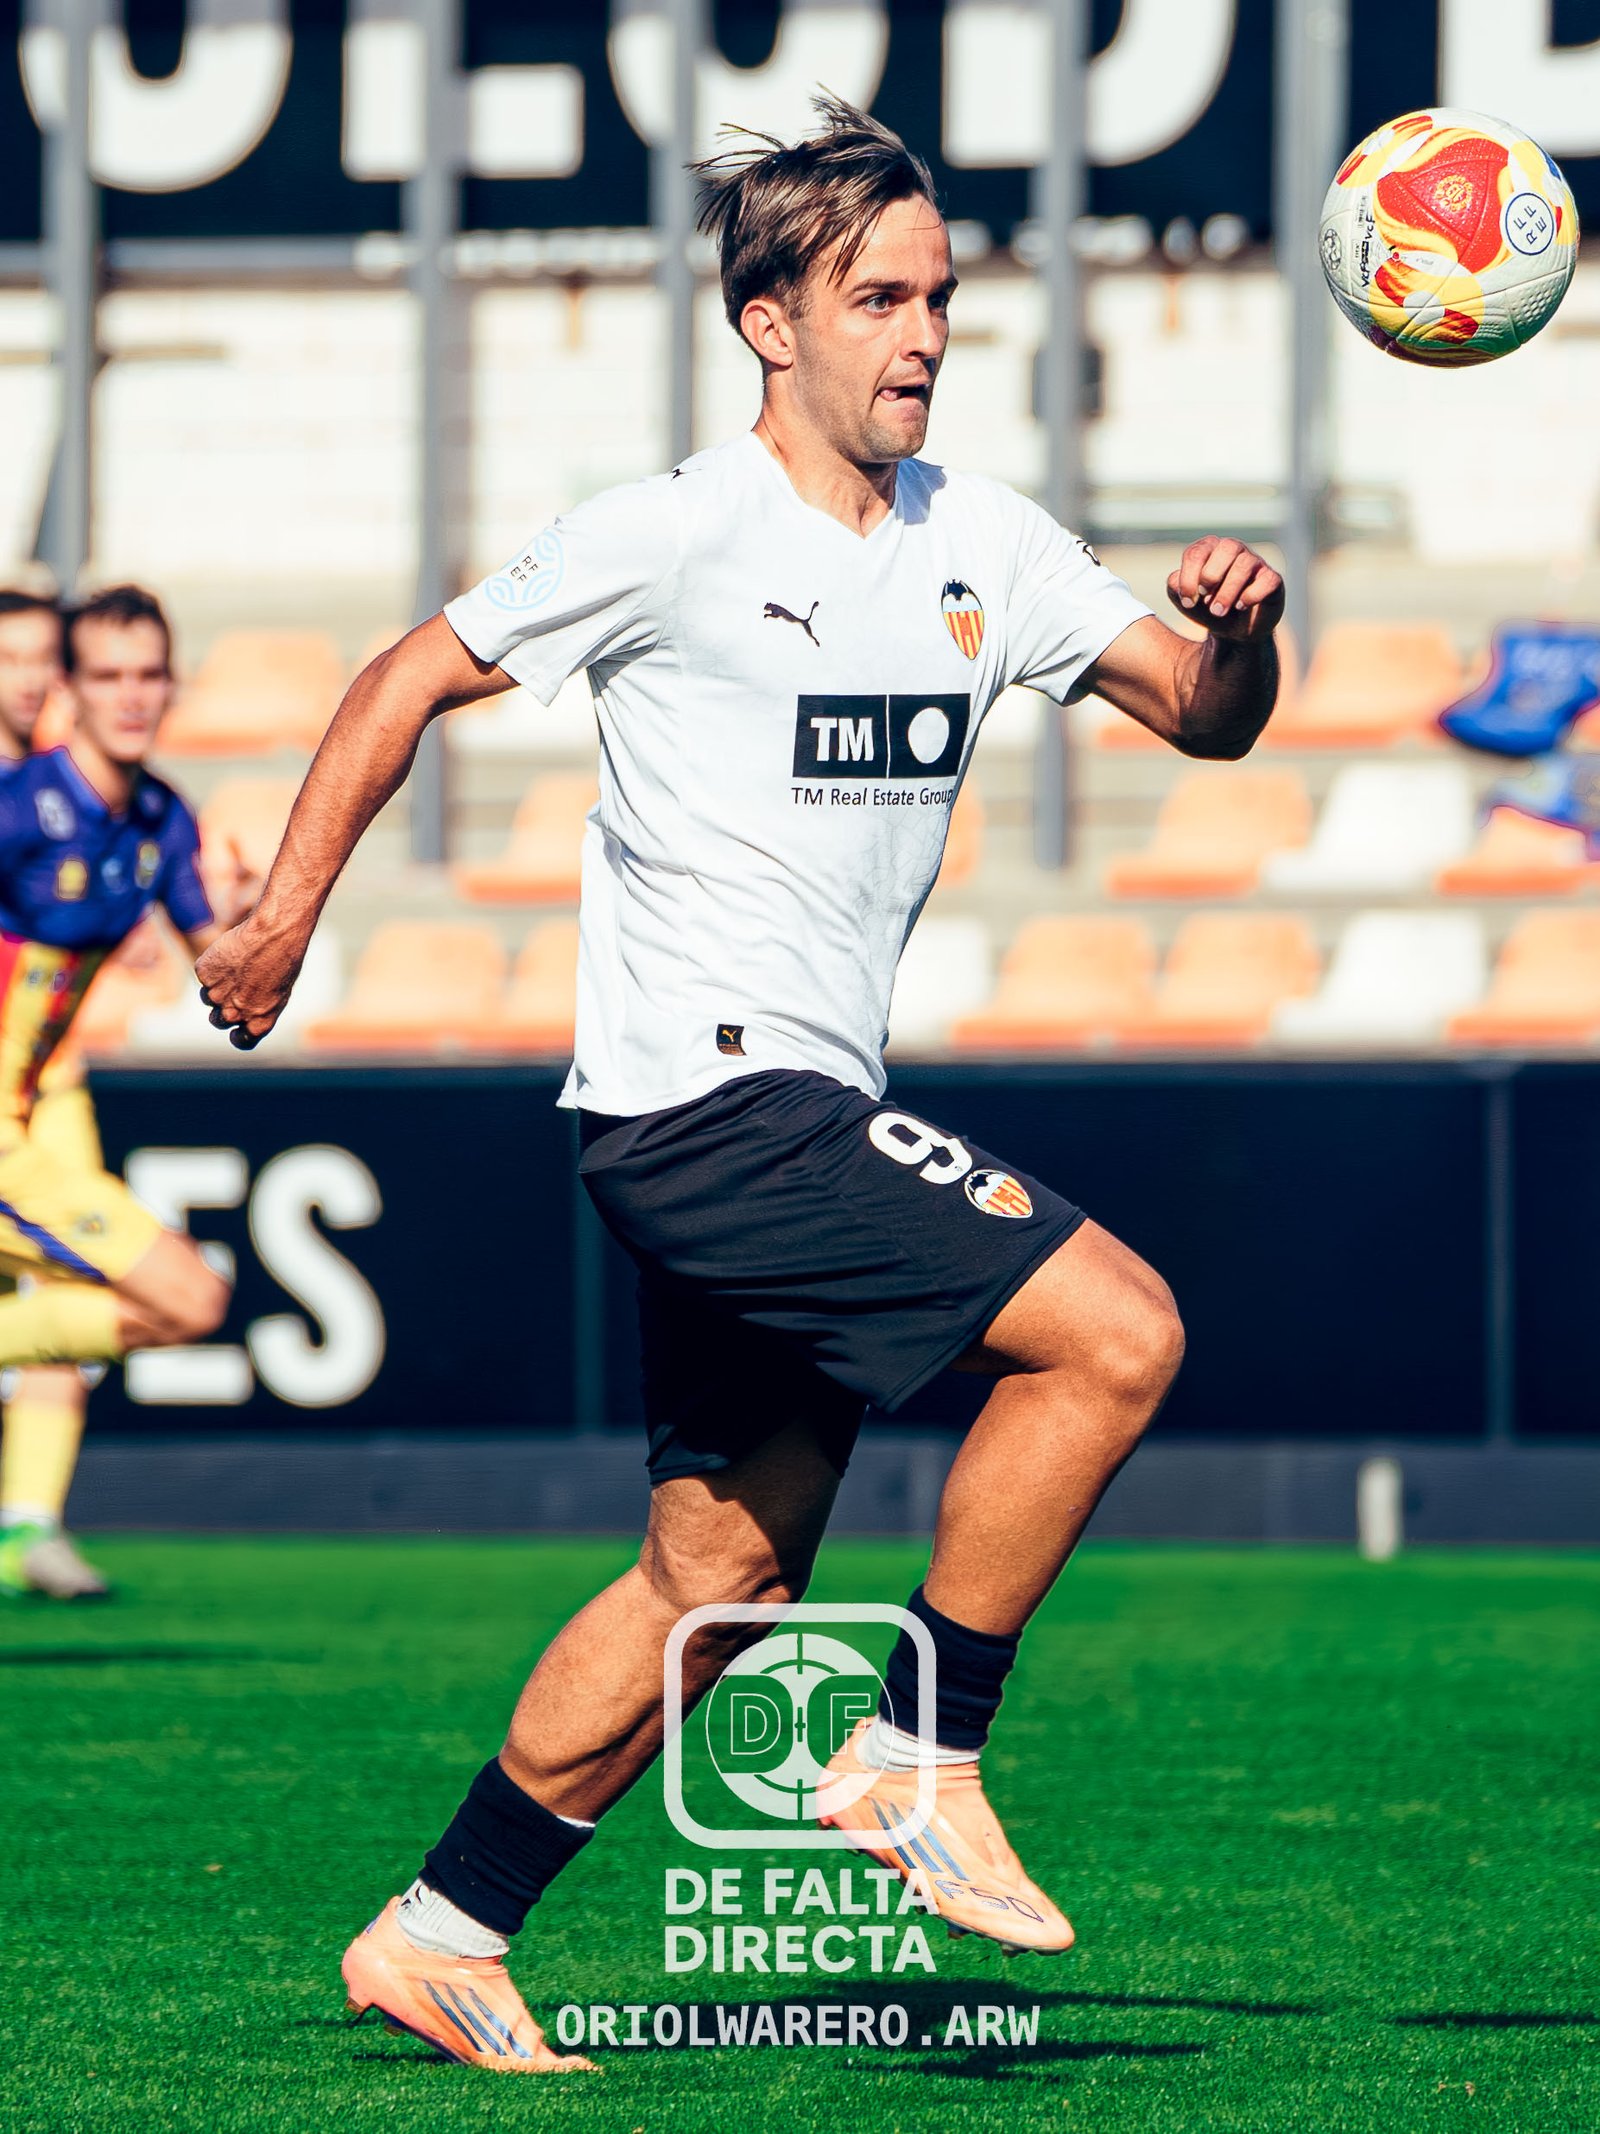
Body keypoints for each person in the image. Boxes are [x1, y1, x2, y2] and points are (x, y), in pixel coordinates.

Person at [196, 99, 1283, 2074]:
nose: (923, 331)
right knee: (1116, 1332)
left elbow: (1195, 720)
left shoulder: (981, 538)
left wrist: (1239, 641)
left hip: (782, 1103)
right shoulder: (672, 527)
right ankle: (916, 1743)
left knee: (715, 1576)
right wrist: (277, 911)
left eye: (941, 293)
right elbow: (404, 677)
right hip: (709, 1103)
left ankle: (441, 1927)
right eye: (879, 295)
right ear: (767, 320)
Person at [0, 587, 232, 1441]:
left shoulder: (162, 819)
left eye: (150, 674)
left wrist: (254, 918)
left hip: (26, 1112)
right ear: (70, 687)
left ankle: (27, 1531)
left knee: (191, 1301)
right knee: (189, 1293)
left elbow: (225, 971)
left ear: (175, 685)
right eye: (108, 675)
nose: (132, 695)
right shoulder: (18, 806)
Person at [0, 591, 112, 1601]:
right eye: (10, 655)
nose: (28, 676)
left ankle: (32, 1525)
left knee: (75, 1292)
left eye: (42, 656)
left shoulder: (85, 795)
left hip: (55, 1078)